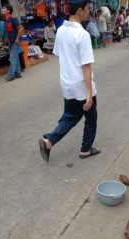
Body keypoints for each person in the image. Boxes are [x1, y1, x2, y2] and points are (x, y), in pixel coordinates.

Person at [39, 0, 100, 162]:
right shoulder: (82, 34)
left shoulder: (61, 30)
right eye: (87, 8)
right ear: (80, 10)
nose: (88, 11)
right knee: (90, 118)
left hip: (67, 83)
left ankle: (50, 140)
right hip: (81, 85)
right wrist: (89, 94)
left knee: (70, 116)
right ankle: (84, 149)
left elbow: (59, 53)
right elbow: (86, 66)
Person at [2, 3, 24, 81]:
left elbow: (21, 29)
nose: (2, 9)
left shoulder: (13, 18)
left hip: (15, 42)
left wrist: (17, 38)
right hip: (10, 42)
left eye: (4, 8)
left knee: (12, 58)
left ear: (8, 10)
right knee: (15, 57)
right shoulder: (5, 19)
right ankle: (18, 73)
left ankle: (11, 75)